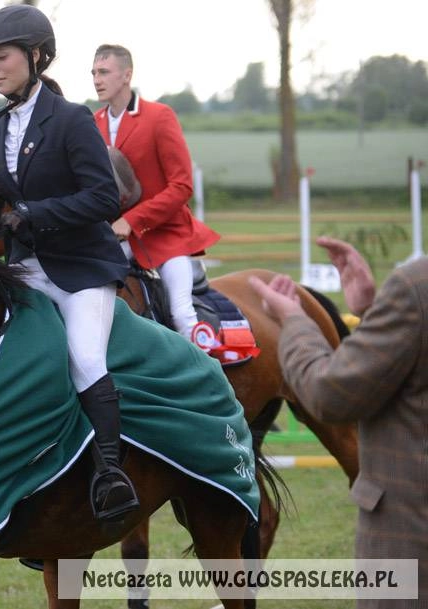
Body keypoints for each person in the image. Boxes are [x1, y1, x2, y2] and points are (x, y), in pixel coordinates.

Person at [0, 5, 139, 522]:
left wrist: (33, 213)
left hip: (83, 268)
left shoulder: (70, 120)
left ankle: (110, 473)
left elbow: (104, 198)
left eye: (2, 57)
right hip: (26, 270)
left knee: (85, 358)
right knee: (1, 362)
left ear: (36, 56)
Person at [249, 236, 428, 608]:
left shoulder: (417, 285)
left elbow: (329, 394)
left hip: (411, 532)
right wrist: (375, 311)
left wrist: (293, 321)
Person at [91, 44, 220, 346]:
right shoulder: (91, 124)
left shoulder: (159, 117)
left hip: (165, 235)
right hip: (116, 238)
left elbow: (182, 186)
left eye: (104, 72)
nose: (97, 79)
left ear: (126, 75)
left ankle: (207, 383)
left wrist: (132, 220)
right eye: (94, 73)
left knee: (180, 312)